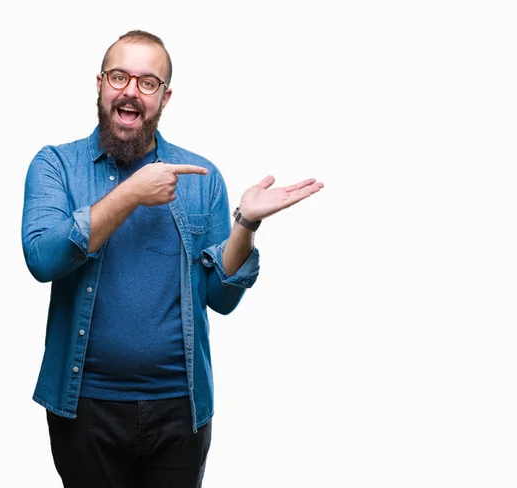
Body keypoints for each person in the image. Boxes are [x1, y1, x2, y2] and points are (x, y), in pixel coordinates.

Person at [21, 29, 323, 488]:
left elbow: (220, 298)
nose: (130, 91)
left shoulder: (201, 178)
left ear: (165, 97)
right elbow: (42, 259)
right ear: (100, 84)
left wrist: (246, 224)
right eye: (119, 76)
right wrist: (130, 195)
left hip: (180, 411)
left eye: (147, 82)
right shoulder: (56, 166)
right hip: (84, 407)